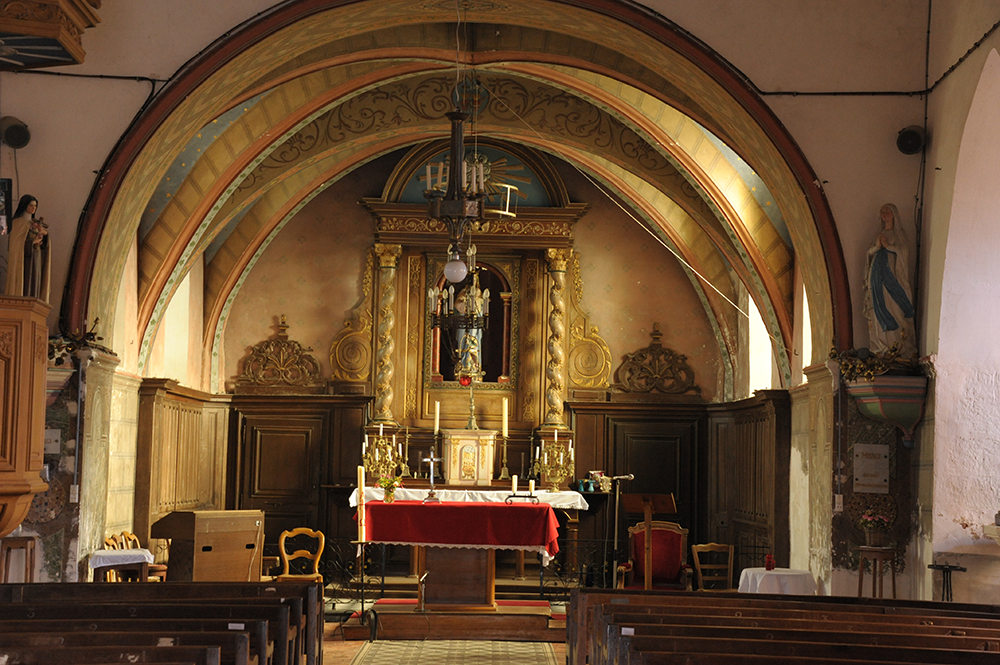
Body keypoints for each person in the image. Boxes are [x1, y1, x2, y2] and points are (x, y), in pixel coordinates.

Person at [864, 203, 916, 359]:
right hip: (877, 275)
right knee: (877, 307)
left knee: (895, 307)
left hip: (892, 276)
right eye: (882, 211)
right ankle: (881, 347)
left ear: (894, 214)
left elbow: (904, 251)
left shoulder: (899, 234)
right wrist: (877, 247)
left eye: (887, 211)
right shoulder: (878, 234)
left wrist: (888, 246)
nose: (884, 214)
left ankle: (899, 346)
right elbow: (869, 252)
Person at [5, 194, 50, 301]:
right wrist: (32, 242)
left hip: (36, 257)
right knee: (25, 282)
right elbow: (16, 245)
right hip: (24, 260)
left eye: (35, 206)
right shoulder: (17, 223)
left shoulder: (35, 223)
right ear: (24, 205)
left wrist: (44, 234)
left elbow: (44, 243)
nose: (33, 208)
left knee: (35, 281)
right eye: (31, 205)